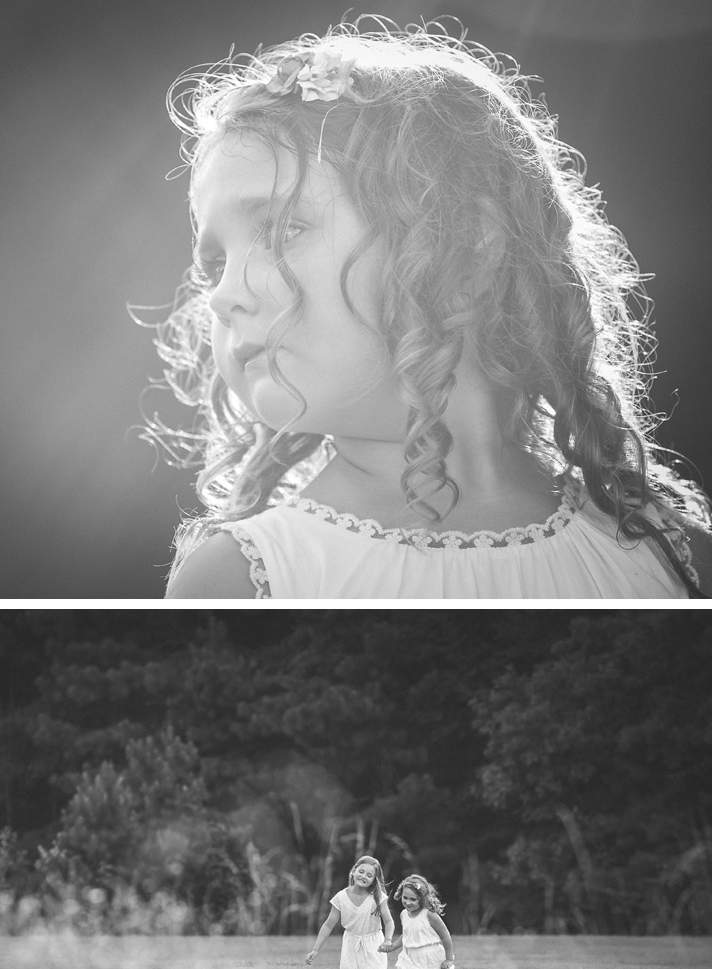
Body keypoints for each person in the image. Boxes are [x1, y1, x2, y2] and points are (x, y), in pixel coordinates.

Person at [155, 23, 711, 602]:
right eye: (214, 262)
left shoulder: (668, 553)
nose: (222, 295)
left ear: (466, 249)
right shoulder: (242, 580)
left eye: (284, 228)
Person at [306, 856, 402, 969]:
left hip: (374, 943)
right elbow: (328, 924)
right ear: (353, 871)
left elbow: (389, 921)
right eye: (361, 871)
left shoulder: (377, 897)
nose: (364, 876)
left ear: (374, 879)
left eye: (369, 875)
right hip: (351, 944)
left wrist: (388, 939)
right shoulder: (341, 897)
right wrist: (315, 949)